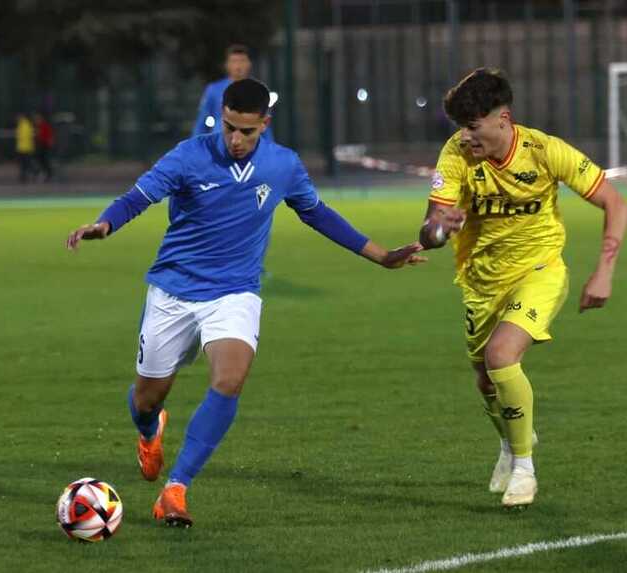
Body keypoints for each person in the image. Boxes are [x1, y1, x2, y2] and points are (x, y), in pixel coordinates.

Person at [67, 78, 425, 527]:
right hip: (173, 292)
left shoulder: (283, 166)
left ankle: (175, 490)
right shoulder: (189, 155)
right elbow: (139, 197)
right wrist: (105, 224)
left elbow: (317, 213)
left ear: (265, 125)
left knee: (230, 379)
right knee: (147, 398)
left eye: (247, 132)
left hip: (235, 292)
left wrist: (382, 256)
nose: (236, 140)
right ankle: (149, 429)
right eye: (230, 128)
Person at [418, 68, 627, 507]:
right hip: (481, 281)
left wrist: (604, 269)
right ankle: (511, 444)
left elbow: (614, 201)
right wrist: (440, 229)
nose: (466, 137)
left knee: (501, 356)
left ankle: (524, 469)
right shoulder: (456, 153)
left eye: (473, 127)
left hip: (540, 269)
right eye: (461, 128)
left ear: (503, 119)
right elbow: (430, 231)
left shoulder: (544, 150)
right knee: (486, 381)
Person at [192, 44, 273, 142]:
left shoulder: (258, 91)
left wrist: (271, 150)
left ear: (249, 64)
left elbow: (264, 125)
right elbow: (202, 120)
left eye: (242, 61)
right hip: (220, 146)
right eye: (234, 61)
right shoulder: (213, 90)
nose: (238, 66)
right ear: (227, 65)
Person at [15, 113, 35, 183]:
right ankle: (23, 177)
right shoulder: (21, 125)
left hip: (26, 148)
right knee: (23, 164)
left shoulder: (26, 125)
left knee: (27, 164)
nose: (17, 118)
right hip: (22, 148)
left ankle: (34, 173)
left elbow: (29, 136)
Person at [34, 112, 54, 182]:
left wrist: (49, 144)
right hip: (41, 146)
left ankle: (49, 175)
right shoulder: (38, 127)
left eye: (38, 119)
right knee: (41, 160)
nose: (36, 120)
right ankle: (44, 174)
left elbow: (49, 137)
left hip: (45, 146)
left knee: (45, 161)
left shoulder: (45, 126)